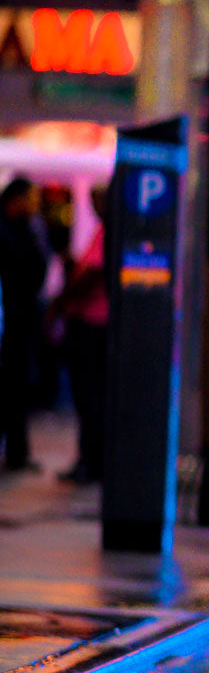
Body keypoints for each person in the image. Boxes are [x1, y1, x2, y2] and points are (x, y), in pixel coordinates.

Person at [51, 187, 110, 484]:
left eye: (98, 200)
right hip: (90, 322)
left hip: (93, 323)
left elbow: (94, 274)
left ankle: (91, 460)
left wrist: (60, 302)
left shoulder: (110, 231)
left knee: (89, 396)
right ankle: (91, 459)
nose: (94, 206)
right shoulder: (103, 231)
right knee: (89, 397)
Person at [0, 178, 47, 473]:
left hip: (20, 320)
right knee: (11, 386)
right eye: (29, 199)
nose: (34, 206)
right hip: (12, 319)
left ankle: (17, 451)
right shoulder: (9, 231)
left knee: (17, 387)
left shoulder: (26, 227)